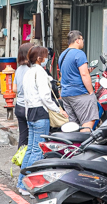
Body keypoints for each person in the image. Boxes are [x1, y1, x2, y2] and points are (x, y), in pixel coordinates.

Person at [17, 46, 68, 195]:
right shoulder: (40, 72)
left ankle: (21, 183)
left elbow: (26, 97)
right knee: (38, 151)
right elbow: (46, 97)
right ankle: (29, 185)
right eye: (45, 56)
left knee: (30, 150)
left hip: (30, 113)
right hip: (40, 113)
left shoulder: (28, 72)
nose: (47, 59)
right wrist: (59, 110)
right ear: (39, 58)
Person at [58, 30, 99, 132]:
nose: (83, 42)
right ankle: (83, 147)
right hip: (79, 93)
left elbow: (65, 74)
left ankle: (73, 147)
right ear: (77, 40)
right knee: (88, 122)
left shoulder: (63, 55)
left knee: (73, 125)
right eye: (82, 39)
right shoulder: (79, 53)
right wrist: (91, 92)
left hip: (66, 95)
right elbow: (84, 74)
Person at [13, 43, 32, 150]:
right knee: (32, 136)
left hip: (19, 106)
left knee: (23, 136)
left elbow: (14, 89)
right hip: (28, 106)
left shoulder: (19, 69)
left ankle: (21, 159)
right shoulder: (31, 70)